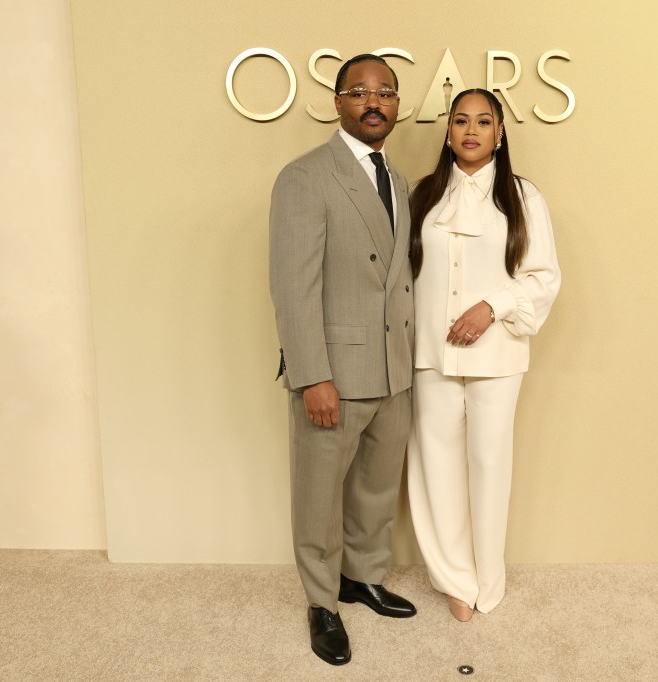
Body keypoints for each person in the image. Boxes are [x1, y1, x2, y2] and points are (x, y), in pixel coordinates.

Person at [268, 54, 416, 666]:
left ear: (397, 104)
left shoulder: (398, 179)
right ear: (338, 102)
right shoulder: (305, 177)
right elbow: (292, 285)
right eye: (359, 91)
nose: (373, 101)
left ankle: (362, 577)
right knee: (319, 493)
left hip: (393, 369)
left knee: (378, 488)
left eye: (385, 91)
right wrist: (312, 376)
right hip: (333, 373)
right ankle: (322, 601)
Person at [406, 88, 561, 622]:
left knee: (490, 466)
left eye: (484, 121)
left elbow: (543, 277)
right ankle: (453, 578)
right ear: (448, 132)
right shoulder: (423, 195)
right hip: (430, 354)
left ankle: (487, 579)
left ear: (500, 132)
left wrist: (490, 306)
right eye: (460, 120)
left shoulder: (522, 197)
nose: (471, 130)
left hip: (498, 356)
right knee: (436, 468)